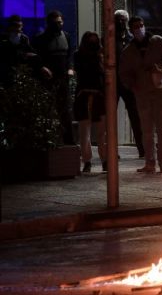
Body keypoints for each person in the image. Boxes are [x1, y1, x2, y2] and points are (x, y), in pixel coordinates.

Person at [119, 16, 162, 174]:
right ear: (131, 30)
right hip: (143, 94)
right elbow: (124, 73)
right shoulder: (129, 51)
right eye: (136, 27)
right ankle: (149, 162)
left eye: (141, 25)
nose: (139, 29)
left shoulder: (158, 42)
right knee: (146, 130)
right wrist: (133, 86)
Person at [32, 10, 76, 145]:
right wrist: (42, 67)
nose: (58, 25)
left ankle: (68, 141)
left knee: (65, 109)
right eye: (55, 23)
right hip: (48, 78)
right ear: (49, 23)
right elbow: (35, 57)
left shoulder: (66, 36)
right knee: (48, 109)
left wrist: (70, 68)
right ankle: (49, 140)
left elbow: (69, 55)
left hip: (63, 77)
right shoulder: (40, 38)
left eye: (60, 22)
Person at [73, 32, 106, 173]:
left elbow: (103, 74)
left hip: (98, 95)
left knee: (101, 132)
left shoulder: (101, 55)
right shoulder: (79, 55)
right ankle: (87, 161)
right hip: (84, 94)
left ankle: (104, 160)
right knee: (84, 132)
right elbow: (83, 71)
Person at [114, 10, 144, 158]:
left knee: (136, 116)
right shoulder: (109, 39)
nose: (120, 23)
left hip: (129, 83)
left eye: (123, 20)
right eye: (118, 20)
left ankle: (142, 149)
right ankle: (113, 150)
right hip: (114, 82)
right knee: (110, 118)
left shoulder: (132, 39)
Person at [0, 15, 37, 88]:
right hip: (5, 70)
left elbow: (30, 51)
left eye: (20, 26)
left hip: (20, 69)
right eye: (16, 26)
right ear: (10, 26)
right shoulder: (3, 37)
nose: (18, 29)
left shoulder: (24, 38)